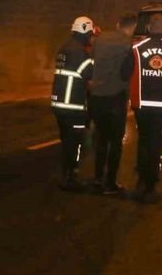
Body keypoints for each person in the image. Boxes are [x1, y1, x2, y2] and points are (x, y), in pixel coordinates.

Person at [129, 13, 162, 204]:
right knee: (157, 144)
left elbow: (126, 71)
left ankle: (141, 183)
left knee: (143, 141)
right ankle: (153, 185)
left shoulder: (136, 48)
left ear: (149, 27)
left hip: (142, 104)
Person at [88, 12, 137, 195]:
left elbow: (91, 62)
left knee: (100, 139)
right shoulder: (128, 45)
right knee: (115, 142)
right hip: (115, 98)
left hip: (97, 97)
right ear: (132, 27)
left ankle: (97, 179)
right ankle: (110, 182)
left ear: (117, 24)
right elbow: (126, 73)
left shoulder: (100, 40)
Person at [51, 16, 95, 192]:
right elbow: (90, 74)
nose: (90, 37)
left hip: (59, 104)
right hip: (73, 106)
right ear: (84, 31)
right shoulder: (79, 52)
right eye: (90, 34)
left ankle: (66, 174)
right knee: (74, 142)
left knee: (66, 140)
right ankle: (70, 177)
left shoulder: (64, 48)